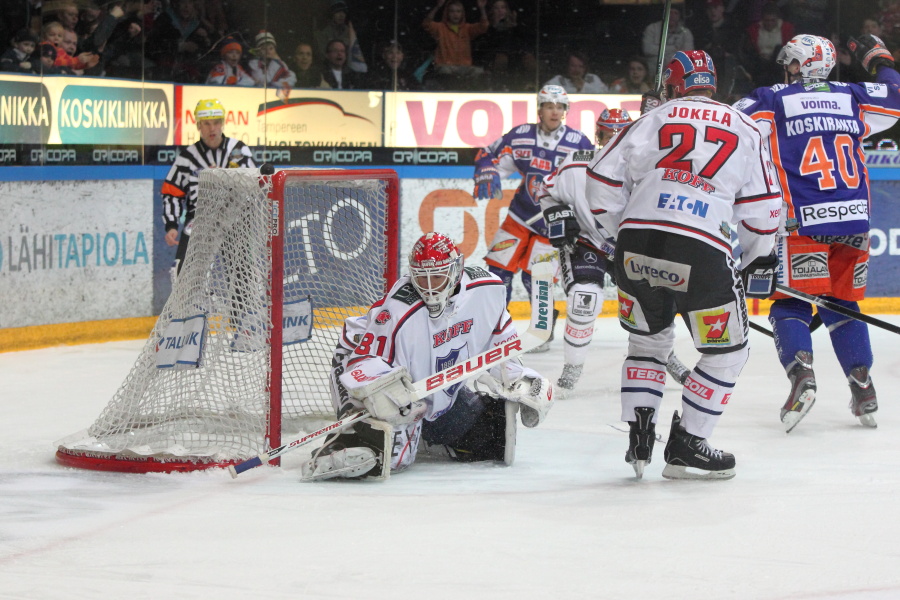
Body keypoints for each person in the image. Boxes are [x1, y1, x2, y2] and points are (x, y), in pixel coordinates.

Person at [585, 50, 781, 480]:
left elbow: (599, 184)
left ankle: (639, 437)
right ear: (714, 84)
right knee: (728, 351)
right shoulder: (745, 126)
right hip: (701, 248)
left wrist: (622, 234)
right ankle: (689, 444)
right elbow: (764, 212)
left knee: (648, 344)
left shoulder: (649, 119)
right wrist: (750, 259)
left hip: (635, 246)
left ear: (672, 84)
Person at [734, 34, 900, 432]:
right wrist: (878, 58)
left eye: (789, 63)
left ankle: (802, 376)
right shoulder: (854, 95)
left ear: (796, 65)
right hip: (854, 221)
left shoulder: (771, 98)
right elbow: (896, 92)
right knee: (841, 304)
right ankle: (863, 385)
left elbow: (725, 126)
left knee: (789, 304)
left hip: (802, 223)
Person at [301, 232, 554, 481]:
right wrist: (382, 390)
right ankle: (343, 441)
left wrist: (520, 377)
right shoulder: (398, 311)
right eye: (422, 279)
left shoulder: (487, 290)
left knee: (489, 438)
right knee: (387, 458)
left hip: (436, 390)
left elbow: (500, 345)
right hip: (366, 365)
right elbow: (362, 361)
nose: (430, 288)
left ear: (456, 269)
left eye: (437, 277)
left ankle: (424, 435)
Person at [472, 84, 594, 352]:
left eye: (560, 106)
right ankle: (495, 330)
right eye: (549, 106)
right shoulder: (521, 135)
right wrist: (486, 168)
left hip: (552, 224)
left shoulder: (579, 142)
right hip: (519, 217)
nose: (555, 111)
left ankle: (542, 330)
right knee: (498, 273)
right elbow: (489, 154)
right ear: (540, 109)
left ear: (565, 111)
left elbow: (592, 181)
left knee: (536, 278)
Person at [537, 108, 631, 392]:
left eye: (622, 134)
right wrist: (555, 214)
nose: (614, 140)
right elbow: (546, 191)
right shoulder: (576, 164)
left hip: (630, 246)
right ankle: (572, 369)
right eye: (607, 134)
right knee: (584, 298)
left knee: (648, 307)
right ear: (597, 136)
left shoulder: (647, 166)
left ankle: (669, 359)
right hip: (587, 242)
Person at [162, 99, 256, 277]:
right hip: (199, 220)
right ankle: (188, 305)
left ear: (222, 124)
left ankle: (238, 305)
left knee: (241, 277)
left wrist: (224, 181)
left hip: (234, 218)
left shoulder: (238, 150)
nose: (212, 128)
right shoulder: (187, 157)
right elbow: (171, 192)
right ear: (198, 125)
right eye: (206, 123)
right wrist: (171, 224)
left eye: (216, 122)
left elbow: (253, 186)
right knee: (182, 273)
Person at [421, 0, 490, 90]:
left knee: (479, 71)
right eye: (452, 11)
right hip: (445, 66)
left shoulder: (467, 28)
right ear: (447, 13)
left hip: (464, 67)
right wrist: (437, 7)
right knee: (445, 71)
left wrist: (482, 9)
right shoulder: (440, 27)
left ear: (462, 13)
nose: (455, 14)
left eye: (458, 11)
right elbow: (426, 24)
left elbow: (483, 26)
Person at [314, 0, 367, 74]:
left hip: (349, 71)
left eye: (343, 12)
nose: (341, 15)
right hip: (329, 71)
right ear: (332, 14)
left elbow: (355, 53)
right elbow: (323, 55)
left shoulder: (350, 32)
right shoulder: (324, 33)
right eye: (338, 12)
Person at [642, 6, 694, 70]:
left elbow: (688, 54)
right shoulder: (652, 28)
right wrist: (674, 48)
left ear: (679, 16)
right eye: (670, 12)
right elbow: (647, 49)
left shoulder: (686, 32)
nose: (672, 16)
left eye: (676, 13)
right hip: (654, 68)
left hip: (676, 68)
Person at [543, 50, 609, 94]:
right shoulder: (559, 80)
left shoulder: (593, 78)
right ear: (567, 66)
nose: (577, 70)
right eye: (573, 66)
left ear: (585, 68)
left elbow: (606, 94)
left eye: (580, 66)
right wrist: (575, 89)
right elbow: (545, 92)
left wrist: (583, 86)